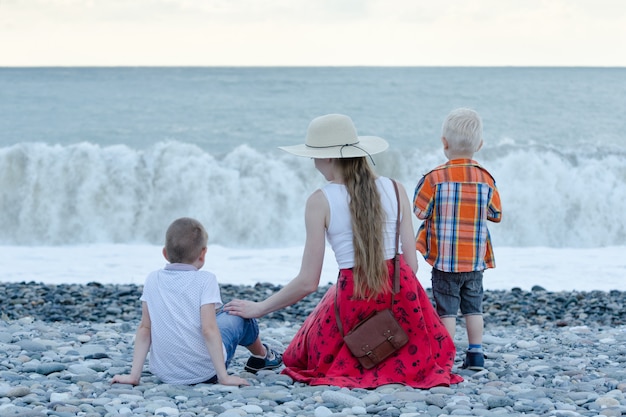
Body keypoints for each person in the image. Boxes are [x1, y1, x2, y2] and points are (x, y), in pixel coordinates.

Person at [225, 114, 462, 388]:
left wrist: (259, 308)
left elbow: (308, 282)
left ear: (327, 158)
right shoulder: (396, 189)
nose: (313, 163)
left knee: (300, 355)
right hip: (403, 299)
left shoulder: (320, 201)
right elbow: (412, 265)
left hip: (354, 298)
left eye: (314, 155)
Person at [111, 217, 282, 386]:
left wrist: (134, 376)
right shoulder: (206, 280)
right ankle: (262, 356)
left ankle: (261, 356)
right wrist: (223, 377)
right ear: (203, 253)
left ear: (164, 253)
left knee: (219, 314)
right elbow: (209, 330)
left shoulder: (152, 279)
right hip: (205, 373)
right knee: (237, 312)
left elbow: (145, 328)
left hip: (165, 373)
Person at [413, 108, 502, 371]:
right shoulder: (486, 179)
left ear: (444, 142)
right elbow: (495, 214)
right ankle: (476, 354)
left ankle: (445, 357)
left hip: (444, 261)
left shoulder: (434, 178)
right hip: (474, 261)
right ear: (480, 145)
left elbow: (420, 211)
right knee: (474, 308)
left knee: (447, 310)